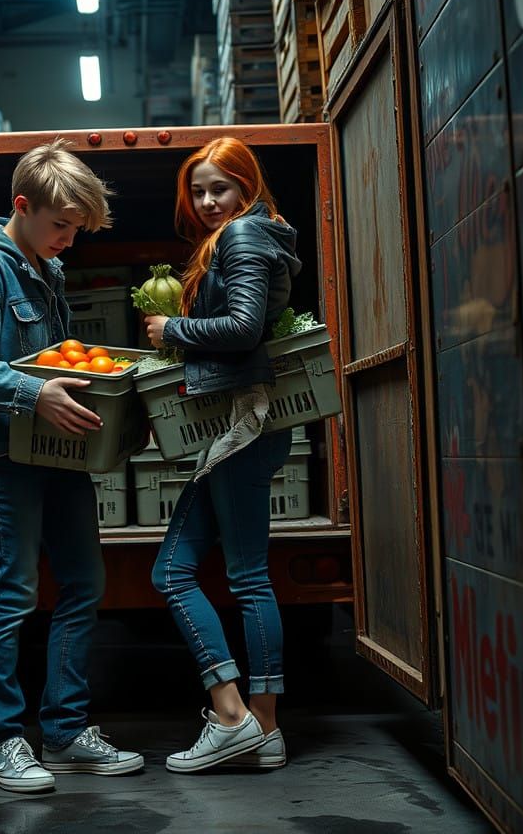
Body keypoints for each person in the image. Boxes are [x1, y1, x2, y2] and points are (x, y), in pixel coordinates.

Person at [0, 137, 144, 794]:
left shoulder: (46, 268)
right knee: (14, 592)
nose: (68, 240)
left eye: (76, 229)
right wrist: (35, 395)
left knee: (84, 582)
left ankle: (63, 731)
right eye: (61, 224)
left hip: (59, 450)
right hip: (9, 453)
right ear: (22, 205)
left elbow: (57, 358)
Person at [144, 136, 302, 773]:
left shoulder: (242, 236)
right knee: (187, 572)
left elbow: (243, 328)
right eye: (199, 190)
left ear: (247, 187)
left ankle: (243, 720)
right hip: (238, 425)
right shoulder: (248, 235)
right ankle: (258, 727)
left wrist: (172, 330)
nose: (208, 200)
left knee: (236, 576)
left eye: (220, 188)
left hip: (242, 425)